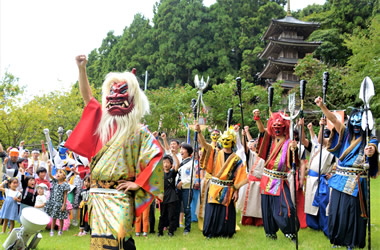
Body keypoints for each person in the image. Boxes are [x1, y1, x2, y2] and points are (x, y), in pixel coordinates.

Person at [65, 55, 163, 249]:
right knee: (100, 243)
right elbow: (88, 98)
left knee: (120, 241)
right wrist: (82, 69)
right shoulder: (102, 123)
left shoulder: (139, 131)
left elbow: (156, 158)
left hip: (119, 195)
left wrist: (138, 183)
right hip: (97, 195)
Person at [315, 97, 379, 248]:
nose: (356, 127)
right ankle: (338, 239)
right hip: (339, 179)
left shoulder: (369, 138)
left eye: (359, 125)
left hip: (356, 182)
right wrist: (322, 106)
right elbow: (334, 119)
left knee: (352, 213)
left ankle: (352, 241)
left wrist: (371, 151)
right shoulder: (345, 134)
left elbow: (373, 147)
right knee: (336, 210)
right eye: (354, 124)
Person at [253, 109, 300, 241]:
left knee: (288, 206)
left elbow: (293, 161)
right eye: (275, 127)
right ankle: (270, 233)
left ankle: (290, 232)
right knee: (267, 207)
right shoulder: (270, 139)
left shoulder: (289, 142)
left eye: (280, 127)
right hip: (266, 178)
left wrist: (294, 149)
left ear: (285, 127)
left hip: (280, 179)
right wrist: (257, 119)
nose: (277, 129)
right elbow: (262, 132)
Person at [196, 124, 247, 238]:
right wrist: (199, 132)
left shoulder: (236, 159)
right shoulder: (214, 153)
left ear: (232, 141)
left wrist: (236, 191)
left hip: (228, 189)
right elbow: (204, 144)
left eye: (228, 139)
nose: (225, 141)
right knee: (212, 211)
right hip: (214, 187)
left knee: (225, 212)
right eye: (223, 139)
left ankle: (225, 233)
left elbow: (239, 176)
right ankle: (211, 232)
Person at [299, 118, 335, 236]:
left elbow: (337, 164)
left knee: (322, 203)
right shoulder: (316, 147)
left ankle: (325, 226)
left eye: (327, 137)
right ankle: (314, 225)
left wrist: (333, 176)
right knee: (310, 202)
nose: (324, 139)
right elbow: (303, 140)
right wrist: (302, 126)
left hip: (322, 179)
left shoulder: (332, 150)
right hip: (311, 179)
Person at [236, 133, 264, 227]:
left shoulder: (265, 157)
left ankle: (259, 221)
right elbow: (245, 148)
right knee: (248, 202)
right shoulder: (252, 155)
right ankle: (248, 220)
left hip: (260, 183)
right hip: (251, 182)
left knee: (258, 204)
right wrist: (243, 136)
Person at [45, 161, 70, 236]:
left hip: (61, 203)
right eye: (57, 173)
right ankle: (52, 230)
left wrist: (63, 205)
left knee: (61, 218)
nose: (58, 174)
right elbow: (49, 174)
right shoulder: (55, 182)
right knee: (54, 217)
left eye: (60, 172)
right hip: (54, 203)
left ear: (64, 176)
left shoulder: (65, 185)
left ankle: (60, 230)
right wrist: (49, 166)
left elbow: (65, 195)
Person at [157, 154, 180, 237]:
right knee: (162, 215)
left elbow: (178, 164)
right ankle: (160, 231)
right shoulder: (160, 174)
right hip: (163, 197)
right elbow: (158, 187)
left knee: (171, 215)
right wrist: (157, 197)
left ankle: (171, 231)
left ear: (171, 164)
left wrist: (174, 154)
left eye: (167, 162)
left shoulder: (172, 173)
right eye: (164, 162)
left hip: (172, 197)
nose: (165, 164)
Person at [176, 143, 194, 235]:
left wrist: (182, 182)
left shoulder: (191, 163)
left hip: (187, 188)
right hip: (178, 188)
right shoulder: (180, 162)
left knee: (187, 208)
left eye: (183, 149)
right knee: (177, 207)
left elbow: (192, 177)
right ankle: (176, 225)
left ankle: (187, 228)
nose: (181, 151)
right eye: (181, 149)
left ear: (188, 152)